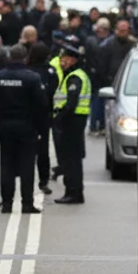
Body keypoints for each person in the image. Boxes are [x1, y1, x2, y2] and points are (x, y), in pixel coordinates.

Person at [0, 45, 48, 213]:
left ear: (9, 57)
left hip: (5, 127)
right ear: (25, 58)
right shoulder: (32, 78)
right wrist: (42, 130)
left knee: (6, 165)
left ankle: (7, 204)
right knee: (27, 166)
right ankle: (27, 203)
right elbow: (41, 106)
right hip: (27, 127)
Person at [53, 35, 91, 204]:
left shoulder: (75, 77)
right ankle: (74, 192)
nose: (62, 62)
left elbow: (71, 103)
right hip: (76, 121)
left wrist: (59, 117)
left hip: (72, 122)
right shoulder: (76, 75)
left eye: (65, 59)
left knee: (70, 160)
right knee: (73, 159)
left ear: (73, 60)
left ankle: (73, 192)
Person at [93, 20, 137, 135]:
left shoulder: (132, 45)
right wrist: (106, 78)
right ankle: (102, 125)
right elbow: (102, 65)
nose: (122, 33)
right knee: (106, 105)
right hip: (110, 80)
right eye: (120, 30)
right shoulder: (107, 45)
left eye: (125, 31)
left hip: (128, 82)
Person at [28, 42, 58, 195]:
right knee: (42, 150)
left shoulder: (27, 71)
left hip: (27, 116)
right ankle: (43, 180)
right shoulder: (50, 71)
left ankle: (26, 179)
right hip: (44, 116)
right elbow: (53, 90)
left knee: (27, 150)